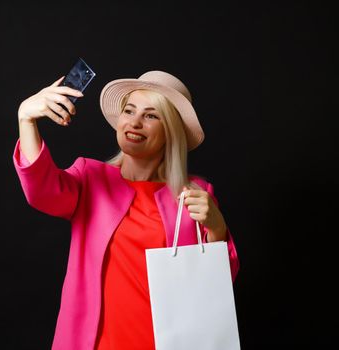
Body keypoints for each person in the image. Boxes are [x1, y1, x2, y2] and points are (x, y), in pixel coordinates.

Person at [13, 70, 239, 350]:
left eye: (151, 115)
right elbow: (42, 192)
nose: (134, 122)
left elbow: (216, 286)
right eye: (129, 110)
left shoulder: (196, 194)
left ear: (171, 131)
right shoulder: (90, 178)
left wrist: (216, 228)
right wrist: (26, 119)